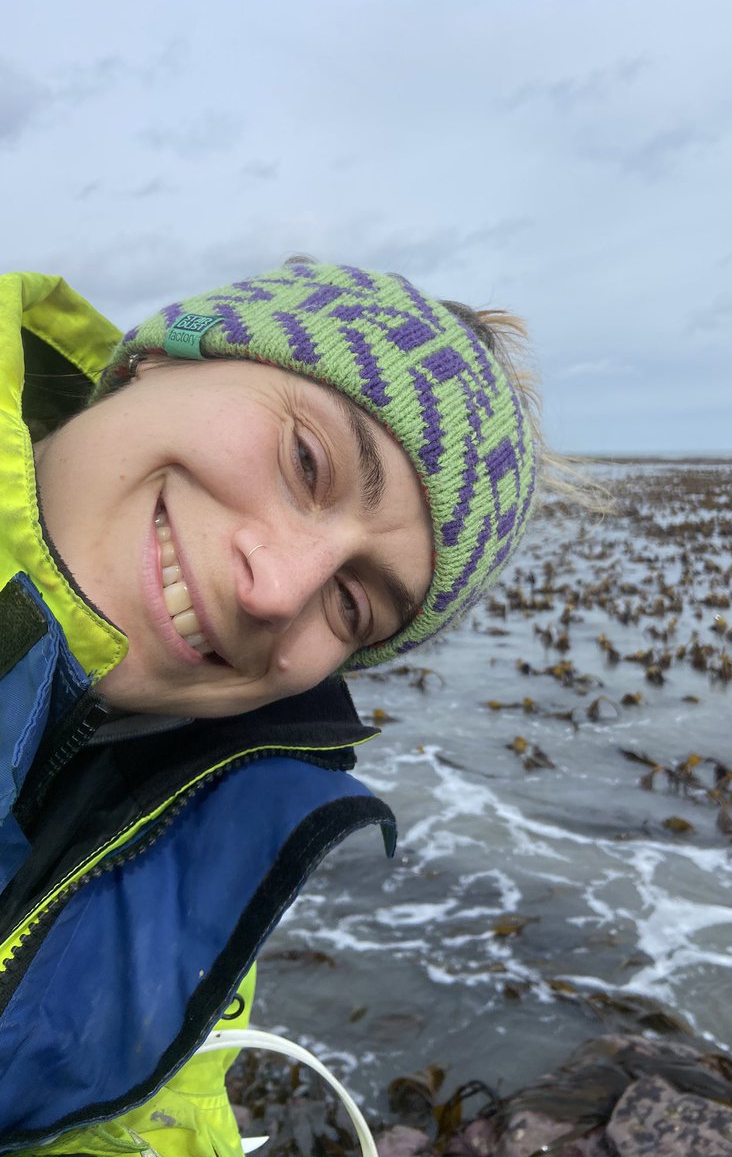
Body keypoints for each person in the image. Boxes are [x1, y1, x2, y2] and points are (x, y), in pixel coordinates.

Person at [0, 258, 539, 1155]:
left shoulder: (186, 865)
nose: (279, 589)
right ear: (161, 361)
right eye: (305, 459)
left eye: (353, 604)